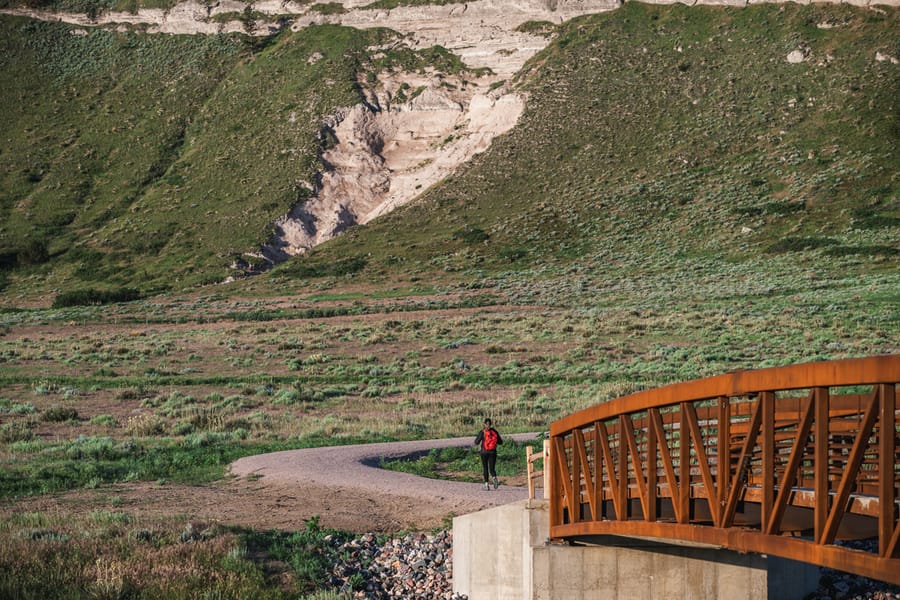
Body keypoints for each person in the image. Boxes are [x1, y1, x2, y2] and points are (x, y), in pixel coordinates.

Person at [474, 418, 503, 490]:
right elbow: (500, 442)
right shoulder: (494, 431)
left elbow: (476, 442)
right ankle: (494, 477)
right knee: (492, 468)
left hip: (484, 452)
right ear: (491, 424)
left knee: (485, 468)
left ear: (484, 424)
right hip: (493, 452)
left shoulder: (482, 432)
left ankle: (486, 485)